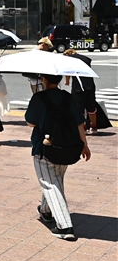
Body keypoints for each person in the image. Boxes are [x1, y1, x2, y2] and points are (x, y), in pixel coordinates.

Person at [25, 74, 91, 240]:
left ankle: (64, 226)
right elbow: (79, 123)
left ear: (44, 80)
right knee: (56, 180)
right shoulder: (67, 97)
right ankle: (46, 211)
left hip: (44, 147)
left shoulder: (39, 98)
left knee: (49, 184)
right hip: (67, 147)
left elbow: (31, 123)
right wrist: (85, 145)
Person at [62, 49, 108, 134]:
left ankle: (83, 128)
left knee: (79, 109)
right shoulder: (85, 58)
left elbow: (67, 72)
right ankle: (94, 127)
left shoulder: (69, 59)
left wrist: (67, 81)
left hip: (79, 87)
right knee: (91, 107)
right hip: (90, 85)